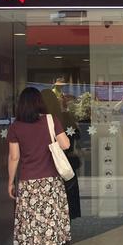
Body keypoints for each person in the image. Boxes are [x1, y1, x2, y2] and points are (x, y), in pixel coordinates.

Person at [7, 87, 72, 245]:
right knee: (51, 226)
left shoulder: (15, 127)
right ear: (39, 102)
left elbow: (14, 157)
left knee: (32, 228)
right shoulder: (51, 120)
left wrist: (10, 181)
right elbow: (66, 144)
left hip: (29, 184)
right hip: (51, 182)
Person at [41, 89, 82, 219]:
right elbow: (77, 134)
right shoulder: (64, 116)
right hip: (65, 161)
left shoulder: (38, 120)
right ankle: (66, 229)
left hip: (47, 163)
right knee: (68, 196)